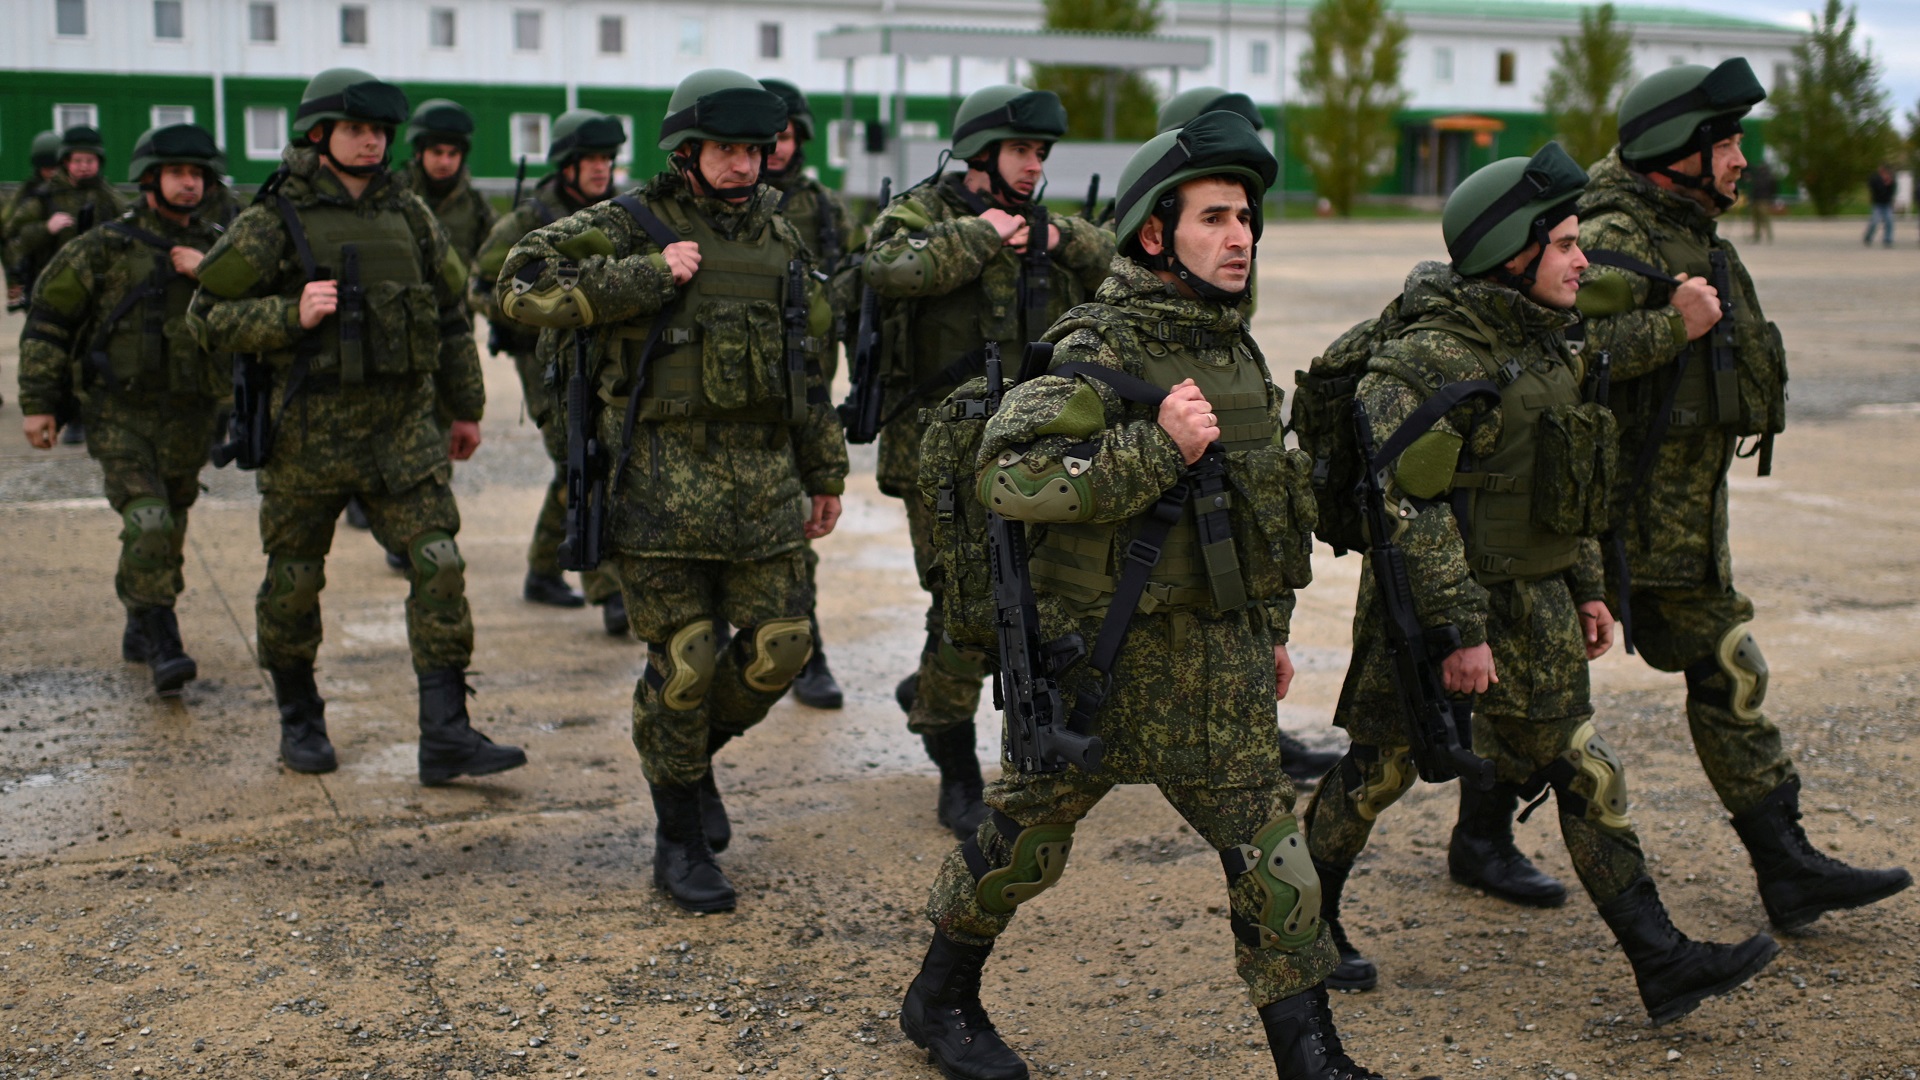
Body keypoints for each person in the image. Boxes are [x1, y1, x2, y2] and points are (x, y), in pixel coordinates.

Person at [901, 111, 1394, 1080]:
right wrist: (1154, 447)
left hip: (1219, 666)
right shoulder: (1101, 343)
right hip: (1102, 666)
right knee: (1020, 847)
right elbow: (1007, 477)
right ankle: (939, 997)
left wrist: (1271, 628)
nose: (1240, 235)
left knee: (1274, 860)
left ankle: (1313, 1059)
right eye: (1214, 217)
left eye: (1247, 217)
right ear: (1156, 234)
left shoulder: (1231, 351)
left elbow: (1258, 513)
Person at [1304, 144, 1783, 1027]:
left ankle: (1660, 957)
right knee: (1378, 771)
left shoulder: (1551, 347)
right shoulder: (1424, 360)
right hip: (1436, 615)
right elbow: (1412, 512)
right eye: (1564, 243)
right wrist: (1458, 631)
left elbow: (1575, 487)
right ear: (1511, 253)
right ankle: (1304, 925)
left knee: (1583, 769)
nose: (1582, 260)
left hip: (1539, 605)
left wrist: (1592, 586)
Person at [1554, 58, 1910, 929]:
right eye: (1727, 142)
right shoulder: (1608, 234)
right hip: (1599, 522)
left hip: (1682, 526)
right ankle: (1474, 836)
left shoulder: (1692, 230)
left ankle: (1785, 865)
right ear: (1680, 146)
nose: (1741, 159)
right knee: (1533, 700)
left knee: (1730, 672)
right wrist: (1673, 324)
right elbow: (1561, 358)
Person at [496, 69, 847, 914]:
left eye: (755, 150)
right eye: (726, 149)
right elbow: (520, 281)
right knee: (686, 663)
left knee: (782, 650)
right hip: (655, 496)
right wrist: (644, 277)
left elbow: (806, 366)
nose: (743, 165)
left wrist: (825, 469)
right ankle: (678, 834)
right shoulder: (631, 223)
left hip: (761, 494)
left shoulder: (782, 239)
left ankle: (687, 762)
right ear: (687, 152)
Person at [187, 67, 526, 786]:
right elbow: (206, 318)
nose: (371, 144)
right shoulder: (272, 220)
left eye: (378, 132)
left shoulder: (410, 216)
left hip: (402, 430)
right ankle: (300, 717)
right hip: (307, 434)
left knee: (439, 564)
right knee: (294, 581)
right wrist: (288, 314)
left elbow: (448, 314)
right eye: (355, 130)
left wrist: (466, 408)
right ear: (319, 135)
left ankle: (446, 733)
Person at [862, 85, 1115, 838]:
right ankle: (953, 761)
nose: (1035, 166)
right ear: (981, 153)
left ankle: (966, 714)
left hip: (1028, 453)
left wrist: (1057, 241)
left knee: (1036, 603)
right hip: (937, 455)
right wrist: (983, 236)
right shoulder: (924, 214)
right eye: (1022, 151)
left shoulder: (1047, 227)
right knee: (966, 614)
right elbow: (887, 265)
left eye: (1042, 154)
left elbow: (1119, 261)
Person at [16, 124, 229, 695]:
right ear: (149, 179)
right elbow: (48, 323)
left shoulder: (221, 249)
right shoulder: (103, 247)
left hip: (192, 412)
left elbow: (257, 317)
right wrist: (39, 405)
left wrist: (207, 273)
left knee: (171, 520)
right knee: (149, 518)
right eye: (177, 173)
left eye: (198, 174)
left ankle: (140, 617)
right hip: (120, 413)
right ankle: (163, 638)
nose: (189, 184)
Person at [471, 109, 630, 620]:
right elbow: (481, 285)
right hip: (543, 360)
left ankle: (542, 569)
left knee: (587, 458)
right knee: (578, 458)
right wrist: (535, 312)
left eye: (607, 158)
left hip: (600, 356)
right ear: (566, 164)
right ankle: (607, 591)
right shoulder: (529, 219)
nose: (601, 168)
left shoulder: (619, 214)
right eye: (590, 159)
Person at [758, 77, 863, 710]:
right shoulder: (728, 208)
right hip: (729, 393)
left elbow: (854, 294)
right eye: (766, 136)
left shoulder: (824, 209)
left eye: (787, 135)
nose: (775, 147)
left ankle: (808, 650)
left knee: (803, 523)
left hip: (803, 393)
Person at [8, 125, 127, 445]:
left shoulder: (109, 198)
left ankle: (86, 414)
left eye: (90, 159)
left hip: (100, 292)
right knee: (53, 354)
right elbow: (13, 237)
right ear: (65, 162)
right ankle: (62, 413)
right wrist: (45, 228)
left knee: (95, 353)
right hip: (53, 292)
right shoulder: (45, 197)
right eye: (77, 160)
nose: (84, 165)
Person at [4, 130, 64, 309]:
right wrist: (13, 282)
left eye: (57, 167)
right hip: (34, 267)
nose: (53, 173)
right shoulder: (28, 193)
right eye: (48, 168)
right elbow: (9, 233)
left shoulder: (70, 188)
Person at [1744, 159, 1775, 244]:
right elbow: (1754, 189)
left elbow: (1773, 189)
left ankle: (1769, 236)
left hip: (1763, 200)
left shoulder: (1768, 178)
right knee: (1756, 219)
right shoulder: (1758, 177)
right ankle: (1757, 235)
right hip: (1757, 199)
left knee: (1764, 219)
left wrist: (1770, 199)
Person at [1865, 162, 1895, 247]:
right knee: (1875, 221)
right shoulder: (1875, 178)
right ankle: (1868, 236)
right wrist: (1883, 184)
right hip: (1877, 204)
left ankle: (1887, 239)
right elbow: (1873, 188)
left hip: (1887, 203)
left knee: (1889, 221)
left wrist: (1889, 184)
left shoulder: (1891, 179)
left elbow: (1892, 191)